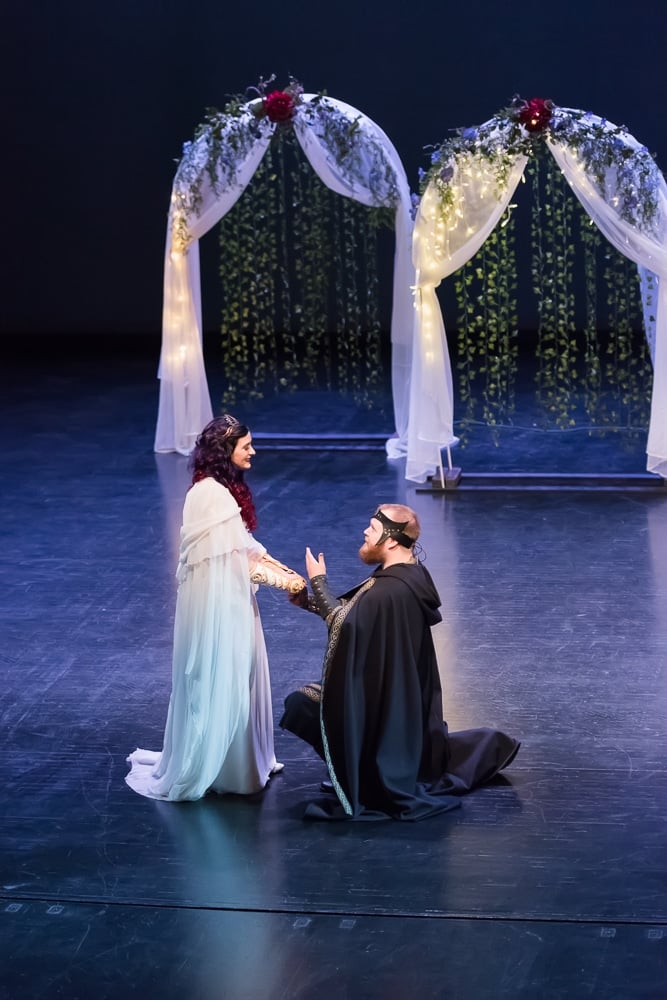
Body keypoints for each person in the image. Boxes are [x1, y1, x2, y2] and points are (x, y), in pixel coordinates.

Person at [280, 503, 520, 821]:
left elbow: (346, 622)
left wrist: (319, 581)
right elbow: (357, 616)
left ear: (392, 540)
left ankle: (359, 775)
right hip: (393, 695)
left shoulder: (390, 589)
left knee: (300, 704)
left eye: (373, 528)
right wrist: (310, 603)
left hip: (383, 705)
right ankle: (355, 768)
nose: (366, 532)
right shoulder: (408, 576)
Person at [126, 414, 305, 801]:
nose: (253, 451)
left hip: (231, 601)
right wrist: (290, 583)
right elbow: (239, 561)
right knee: (226, 674)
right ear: (226, 451)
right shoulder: (210, 495)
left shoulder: (217, 491)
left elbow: (246, 547)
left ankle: (243, 762)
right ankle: (226, 770)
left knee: (242, 675)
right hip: (220, 610)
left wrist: (285, 569)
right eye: (246, 446)